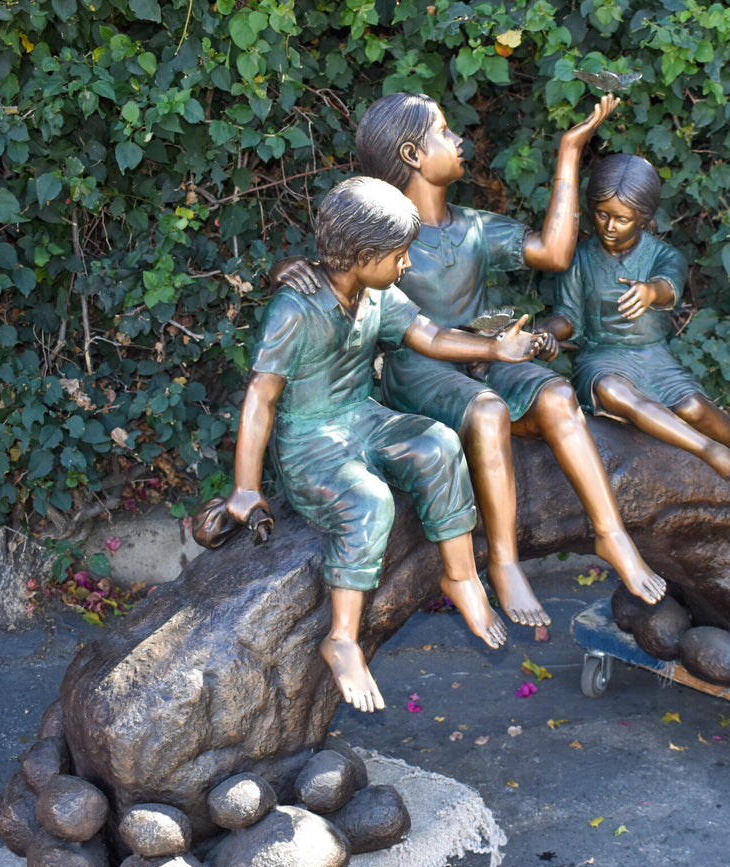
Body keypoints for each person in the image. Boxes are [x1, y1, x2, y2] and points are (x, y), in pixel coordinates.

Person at [275, 93, 666, 627]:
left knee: (554, 393)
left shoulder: (475, 227)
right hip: (420, 369)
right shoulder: (386, 230)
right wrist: (295, 268)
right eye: (444, 132)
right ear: (413, 154)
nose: (460, 141)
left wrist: (570, 151)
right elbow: (342, 265)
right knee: (487, 412)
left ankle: (610, 532)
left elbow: (554, 253)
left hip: (489, 353)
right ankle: (502, 561)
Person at [225, 176, 544, 713]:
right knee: (369, 502)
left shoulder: (378, 293)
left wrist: (496, 347)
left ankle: (462, 575)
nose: (407, 265)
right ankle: (342, 638)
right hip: (310, 441)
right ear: (365, 254)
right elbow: (261, 396)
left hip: (362, 418)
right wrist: (244, 487)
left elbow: (432, 337)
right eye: (399, 255)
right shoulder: (296, 308)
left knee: (437, 443)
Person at [539, 154, 730, 497]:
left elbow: (668, 287)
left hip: (652, 356)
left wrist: (649, 292)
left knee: (691, 406)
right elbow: (567, 316)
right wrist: (547, 332)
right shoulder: (580, 258)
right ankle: (707, 450)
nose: (610, 227)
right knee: (614, 391)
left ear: (644, 219)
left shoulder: (663, 255)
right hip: (602, 357)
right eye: (602, 215)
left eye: (622, 219)